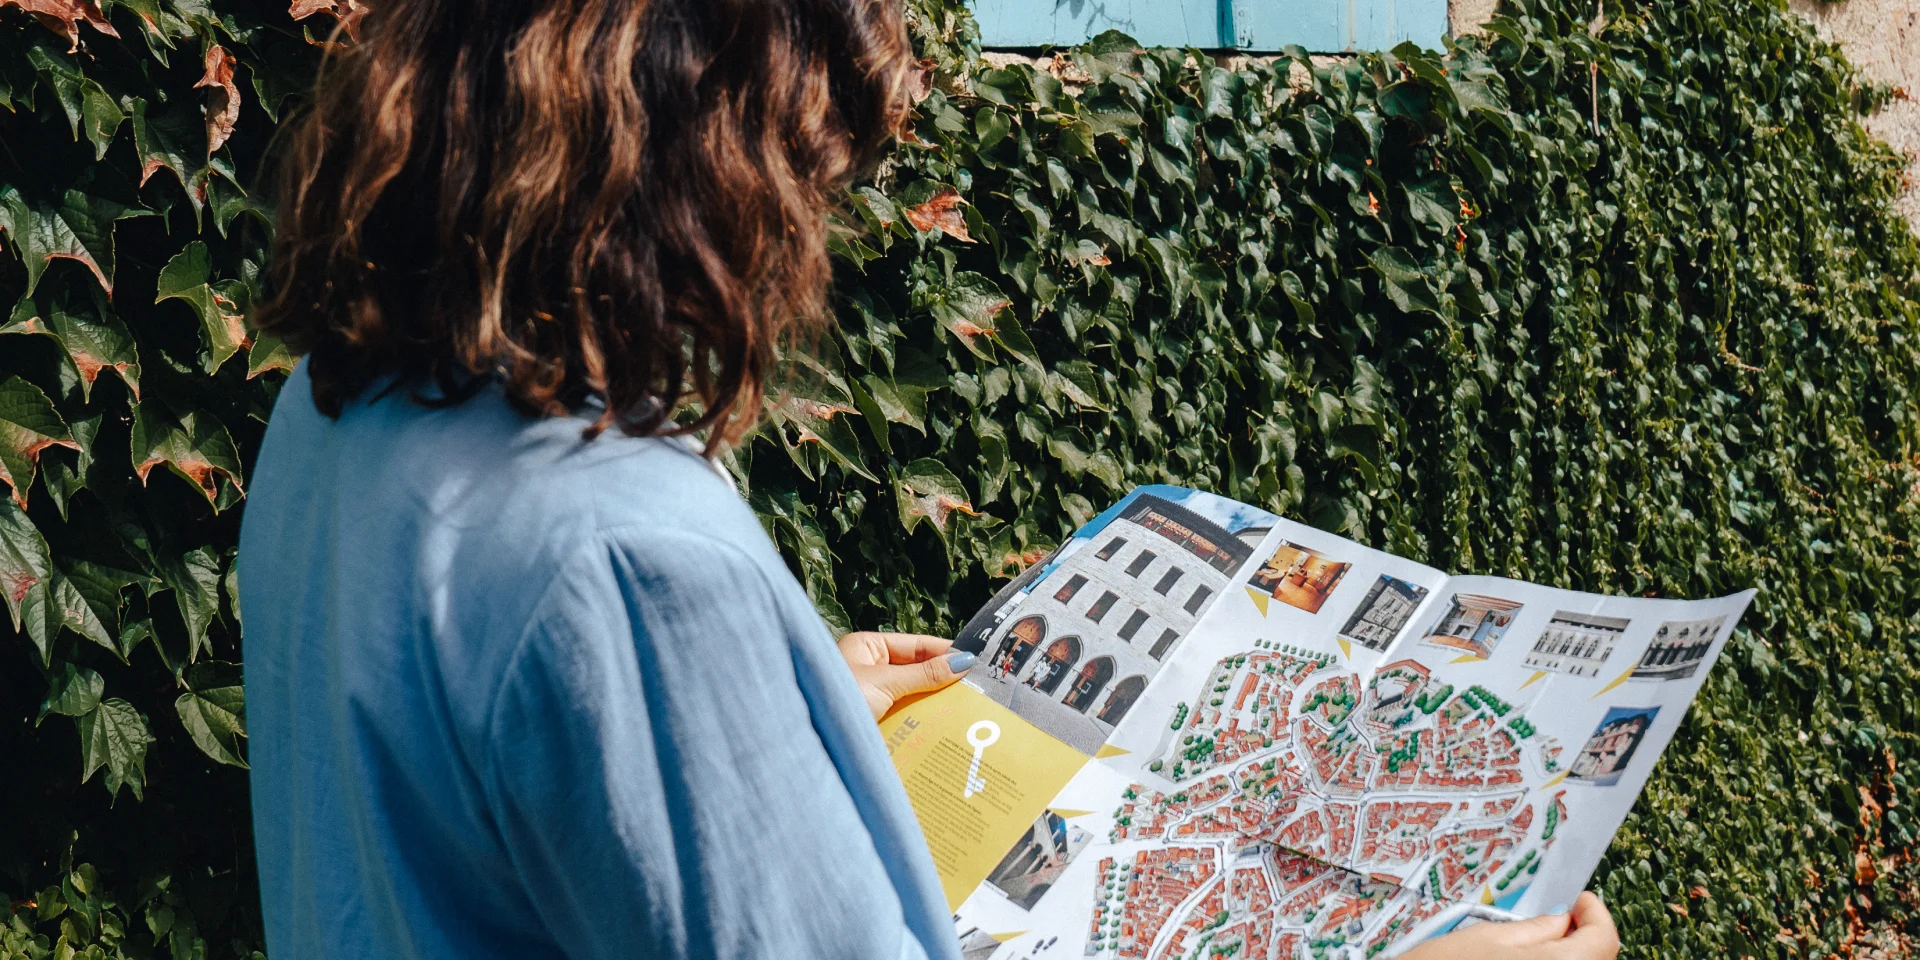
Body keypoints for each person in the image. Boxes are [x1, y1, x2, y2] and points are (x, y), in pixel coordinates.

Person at [236, 0, 1622, 957]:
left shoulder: (339, 418)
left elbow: (506, 799)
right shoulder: (625, 555)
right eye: (806, 168)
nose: (806, 231)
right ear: (697, 158)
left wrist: (767, 723)